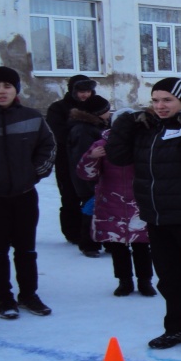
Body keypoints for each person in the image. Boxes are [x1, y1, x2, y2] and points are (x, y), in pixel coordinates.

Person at [106, 77, 181, 355]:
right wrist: (123, 126)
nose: (160, 106)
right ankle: (177, 327)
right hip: (157, 216)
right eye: (156, 100)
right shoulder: (149, 129)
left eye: (167, 100)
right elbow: (118, 157)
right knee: (168, 278)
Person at [0, 67, 56, 319]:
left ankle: (29, 294)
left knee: (26, 248)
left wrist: (34, 173)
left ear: (16, 89)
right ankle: (4, 298)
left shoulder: (31, 117)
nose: (2, 91)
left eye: (7, 86)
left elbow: (48, 146)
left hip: (24, 193)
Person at [76, 121, 156, 297]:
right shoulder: (102, 145)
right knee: (118, 247)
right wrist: (92, 156)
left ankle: (145, 281)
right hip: (111, 201)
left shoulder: (143, 143)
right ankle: (124, 281)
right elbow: (86, 174)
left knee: (142, 245)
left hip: (139, 202)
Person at [47, 74, 98, 246]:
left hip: (92, 159)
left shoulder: (96, 106)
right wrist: (81, 127)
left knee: (92, 196)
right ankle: (72, 233)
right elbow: (57, 133)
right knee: (69, 196)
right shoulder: (58, 108)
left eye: (88, 91)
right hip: (65, 159)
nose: (85, 95)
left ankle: (92, 231)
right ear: (72, 91)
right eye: (81, 91)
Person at [66, 94, 112, 258]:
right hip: (88, 180)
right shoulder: (84, 130)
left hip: (95, 178)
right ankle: (88, 244)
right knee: (90, 210)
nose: (110, 113)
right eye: (107, 110)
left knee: (102, 210)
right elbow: (83, 156)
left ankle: (106, 241)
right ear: (98, 112)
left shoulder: (97, 126)